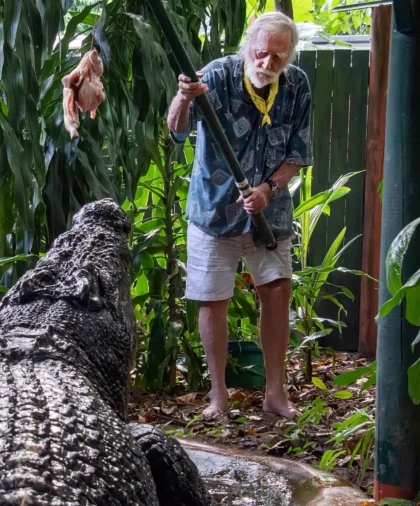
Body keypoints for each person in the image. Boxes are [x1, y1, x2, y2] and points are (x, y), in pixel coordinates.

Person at [167, 12, 312, 421]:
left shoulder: (297, 85)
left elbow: (298, 154)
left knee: (278, 290)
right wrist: (183, 96)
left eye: (277, 58)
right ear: (247, 47)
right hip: (214, 210)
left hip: (270, 211)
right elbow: (176, 131)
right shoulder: (216, 76)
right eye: (261, 54)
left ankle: (275, 394)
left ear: (289, 57)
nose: (267, 64)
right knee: (213, 299)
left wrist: (269, 188)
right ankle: (217, 396)